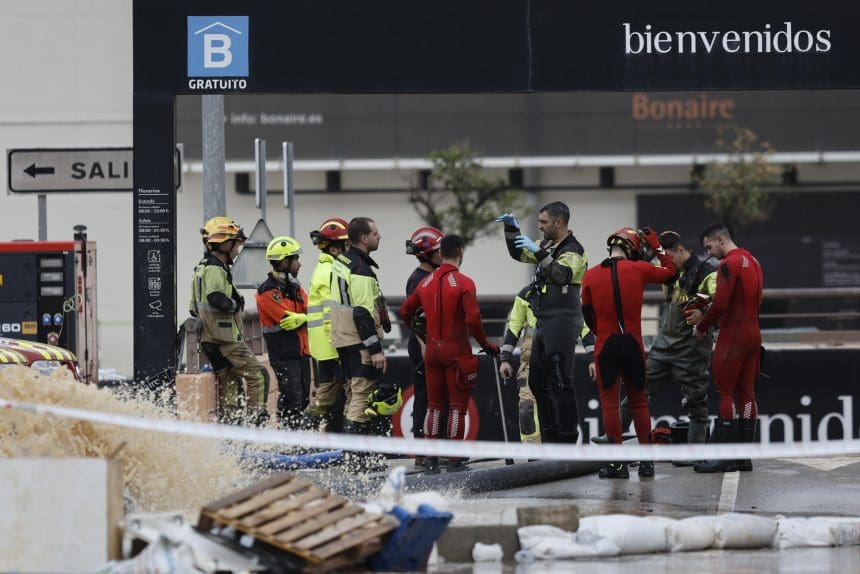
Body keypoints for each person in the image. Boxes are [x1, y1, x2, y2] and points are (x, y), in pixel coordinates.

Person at [612, 231, 718, 464]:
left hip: (692, 349)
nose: (664, 262)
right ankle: (613, 441)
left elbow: (721, 302)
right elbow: (634, 268)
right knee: (636, 391)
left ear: (681, 250)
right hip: (663, 346)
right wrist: (648, 247)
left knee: (696, 403)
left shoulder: (706, 272)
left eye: (668, 256)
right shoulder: (668, 271)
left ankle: (695, 455)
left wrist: (704, 313)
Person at [400, 234, 500, 472]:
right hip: (457, 351)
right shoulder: (465, 283)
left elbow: (405, 311)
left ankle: (431, 458)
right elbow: (473, 319)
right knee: (457, 407)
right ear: (461, 253)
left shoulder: (425, 283)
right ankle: (454, 459)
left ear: (441, 253)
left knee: (433, 405)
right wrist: (486, 344)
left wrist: (424, 336)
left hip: (433, 351)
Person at [581, 227, 676, 478]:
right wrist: (656, 244)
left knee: (610, 405)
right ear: (633, 248)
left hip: (606, 345)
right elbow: (671, 271)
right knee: (639, 402)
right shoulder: (639, 269)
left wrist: (601, 331)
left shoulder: (590, 276)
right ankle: (647, 464)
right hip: (633, 345)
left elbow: (587, 315)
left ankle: (617, 465)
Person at [497, 202, 588, 444]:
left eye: (543, 222)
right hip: (543, 322)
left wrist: (540, 254)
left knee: (561, 384)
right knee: (537, 383)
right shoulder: (546, 245)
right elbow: (518, 253)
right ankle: (550, 437)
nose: (539, 227)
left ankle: (567, 439)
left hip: (562, 323)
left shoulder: (573, 250)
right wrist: (511, 231)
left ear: (558, 222)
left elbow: (562, 275)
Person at [688, 222, 764, 473]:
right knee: (747, 392)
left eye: (709, 247)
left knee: (724, 390)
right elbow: (755, 300)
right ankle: (744, 458)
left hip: (734, 335)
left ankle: (725, 458)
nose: (708, 252)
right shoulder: (753, 261)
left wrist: (702, 326)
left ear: (720, 239)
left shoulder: (728, 264)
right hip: (754, 334)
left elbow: (720, 305)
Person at [190, 216, 270, 426]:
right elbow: (216, 298)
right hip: (225, 338)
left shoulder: (201, 268)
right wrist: (236, 305)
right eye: (235, 244)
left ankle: (232, 431)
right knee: (258, 375)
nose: (237, 250)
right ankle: (256, 423)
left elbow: (193, 307)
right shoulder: (216, 269)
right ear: (225, 243)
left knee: (231, 384)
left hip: (210, 339)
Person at [328, 217, 400, 445]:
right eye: (376, 233)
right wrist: (375, 349)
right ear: (364, 238)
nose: (380, 237)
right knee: (361, 394)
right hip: (358, 341)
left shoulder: (342, 262)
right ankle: (355, 455)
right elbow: (361, 312)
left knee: (352, 393)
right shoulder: (360, 269)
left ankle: (354, 454)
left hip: (343, 338)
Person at [498, 285, 597, 443]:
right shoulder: (526, 294)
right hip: (530, 359)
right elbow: (513, 327)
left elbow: (584, 327)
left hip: (556, 353)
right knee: (527, 407)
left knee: (558, 399)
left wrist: (593, 357)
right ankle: (534, 453)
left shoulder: (567, 295)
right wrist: (505, 358)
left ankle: (559, 446)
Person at [300, 218, 351, 432]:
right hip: (332, 345)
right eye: (345, 245)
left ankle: (310, 435)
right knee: (331, 396)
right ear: (334, 248)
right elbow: (332, 312)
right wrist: (340, 343)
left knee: (330, 396)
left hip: (323, 346)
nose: (349, 249)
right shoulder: (332, 271)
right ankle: (303, 435)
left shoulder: (323, 268)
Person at [256, 235, 310, 429]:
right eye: (296, 259)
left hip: (302, 352)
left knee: (303, 399)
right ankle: (289, 441)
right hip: (284, 354)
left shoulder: (295, 287)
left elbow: (309, 308)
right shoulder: (268, 291)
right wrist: (304, 316)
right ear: (285, 261)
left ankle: (297, 441)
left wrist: (304, 317)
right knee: (292, 399)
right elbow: (287, 317)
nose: (300, 264)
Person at [404, 226, 444, 465]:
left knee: (435, 398)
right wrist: (424, 345)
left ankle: (433, 449)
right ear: (426, 254)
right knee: (424, 397)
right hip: (423, 346)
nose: (443, 254)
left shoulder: (431, 277)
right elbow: (415, 318)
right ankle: (422, 452)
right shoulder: (418, 280)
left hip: (432, 344)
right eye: (438, 250)